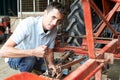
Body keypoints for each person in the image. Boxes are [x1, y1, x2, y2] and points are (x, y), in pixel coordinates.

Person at [0, 1, 66, 75]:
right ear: (45, 13)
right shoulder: (28, 24)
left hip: (35, 56)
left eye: (58, 21)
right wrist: (33, 52)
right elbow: (2, 52)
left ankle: (35, 71)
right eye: (53, 17)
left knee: (45, 62)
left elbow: (50, 51)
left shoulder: (54, 30)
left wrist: (51, 64)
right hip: (14, 58)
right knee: (30, 60)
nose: (54, 23)